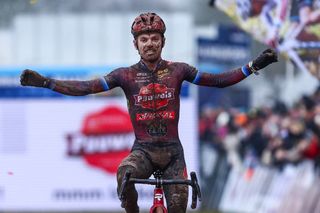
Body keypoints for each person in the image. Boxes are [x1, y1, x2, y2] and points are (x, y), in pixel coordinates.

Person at [20, 12, 278, 213]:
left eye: (155, 38)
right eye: (144, 39)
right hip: (142, 151)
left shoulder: (179, 70)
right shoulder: (125, 75)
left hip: (173, 155)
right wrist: (47, 83)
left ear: (163, 41)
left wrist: (253, 66)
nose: (150, 43)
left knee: (178, 207)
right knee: (125, 174)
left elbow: (218, 80)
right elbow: (87, 87)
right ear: (136, 44)